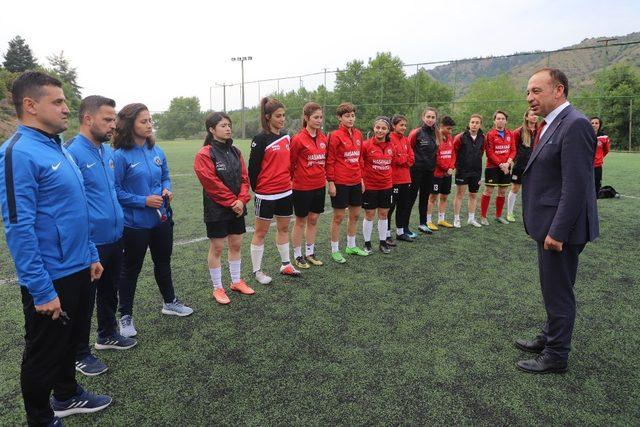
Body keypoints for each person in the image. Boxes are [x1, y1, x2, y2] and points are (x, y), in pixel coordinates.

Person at [0, 71, 111, 426]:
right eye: (58, 102)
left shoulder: (57, 147)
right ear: (30, 106)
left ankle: (67, 395)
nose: (67, 108)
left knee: (70, 341)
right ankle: (41, 418)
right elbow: (19, 227)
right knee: (42, 353)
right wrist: (41, 288)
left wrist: (91, 253)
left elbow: (76, 209)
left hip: (79, 265)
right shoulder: (17, 152)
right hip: (51, 275)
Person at [516, 68, 599, 374]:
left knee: (558, 291)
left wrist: (558, 232)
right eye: (528, 92)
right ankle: (550, 336)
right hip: (550, 223)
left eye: (536, 91)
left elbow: (576, 186)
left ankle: (556, 354)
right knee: (554, 287)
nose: (530, 98)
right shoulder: (552, 123)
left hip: (560, 228)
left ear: (559, 90)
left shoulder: (575, 124)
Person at [65, 96, 137, 377]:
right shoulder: (72, 151)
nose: (113, 125)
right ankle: (79, 354)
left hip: (114, 236)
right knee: (83, 301)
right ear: (87, 119)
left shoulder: (107, 152)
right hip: (90, 242)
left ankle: (107, 334)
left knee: (110, 291)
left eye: (114, 119)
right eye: (107, 119)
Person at [114, 103, 193, 338]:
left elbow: (166, 176)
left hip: (161, 221)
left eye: (150, 121)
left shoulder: (156, 151)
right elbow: (115, 191)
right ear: (130, 125)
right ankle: (125, 316)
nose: (149, 125)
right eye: (143, 121)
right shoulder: (119, 156)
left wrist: (167, 189)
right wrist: (143, 201)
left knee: (163, 263)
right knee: (130, 270)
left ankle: (170, 302)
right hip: (134, 224)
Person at [194, 112, 254, 305]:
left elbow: (245, 178)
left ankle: (236, 281)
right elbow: (211, 183)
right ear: (212, 130)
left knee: (236, 244)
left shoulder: (236, 151)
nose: (228, 128)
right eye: (223, 125)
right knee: (217, 247)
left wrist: (242, 200)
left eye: (229, 125)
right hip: (217, 209)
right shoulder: (205, 154)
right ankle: (217, 288)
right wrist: (232, 202)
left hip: (237, 206)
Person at [248, 97, 301, 282]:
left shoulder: (286, 137)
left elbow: (291, 163)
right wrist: (259, 189)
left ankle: (286, 264)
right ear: (268, 116)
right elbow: (252, 169)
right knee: (260, 232)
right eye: (278, 116)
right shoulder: (260, 139)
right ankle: (257, 271)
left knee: (283, 228)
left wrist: (289, 181)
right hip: (266, 193)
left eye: (284, 115)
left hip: (285, 191)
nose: (282, 119)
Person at [326, 102, 369, 262]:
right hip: (340, 182)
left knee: (356, 215)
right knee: (338, 217)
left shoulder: (358, 134)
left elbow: (360, 159)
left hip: (356, 181)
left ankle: (351, 246)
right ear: (340, 118)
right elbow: (329, 160)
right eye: (347, 116)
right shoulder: (335, 136)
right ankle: (335, 250)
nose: (350, 119)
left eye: (352, 115)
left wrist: (362, 179)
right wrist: (331, 181)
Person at [290, 102, 327, 269]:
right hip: (302, 187)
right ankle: (298, 255)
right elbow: (290, 163)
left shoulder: (323, 138)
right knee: (300, 221)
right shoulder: (298, 139)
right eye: (315, 117)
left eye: (320, 117)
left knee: (313, 219)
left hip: (319, 185)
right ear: (306, 118)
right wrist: (291, 182)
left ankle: (310, 252)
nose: (319, 120)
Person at [361, 116, 395, 254]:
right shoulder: (366, 145)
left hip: (386, 185)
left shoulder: (391, 146)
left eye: (383, 128)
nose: (380, 130)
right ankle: (367, 243)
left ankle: (382, 242)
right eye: (377, 127)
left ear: (388, 131)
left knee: (383, 214)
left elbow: (391, 164)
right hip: (370, 186)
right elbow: (360, 164)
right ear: (374, 128)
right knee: (369, 214)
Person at [407, 107, 439, 235]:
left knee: (425, 197)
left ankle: (423, 223)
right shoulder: (416, 132)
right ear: (423, 117)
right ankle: (404, 226)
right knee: (411, 198)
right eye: (428, 117)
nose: (430, 119)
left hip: (429, 171)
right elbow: (408, 149)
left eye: (433, 117)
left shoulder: (437, 133)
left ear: (436, 119)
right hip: (416, 170)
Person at [480, 111, 515, 225]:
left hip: (506, 167)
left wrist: (508, 163)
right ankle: (483, 217)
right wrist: (501, 165)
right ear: (494, 121)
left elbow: (513, 150)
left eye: (503, 118)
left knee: (502, 192)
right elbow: (489, 152)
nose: (500, 120)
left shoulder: (510, 134)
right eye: (498, 118)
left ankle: (498, 216)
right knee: (488, 191)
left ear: (506, 121)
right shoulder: (490, 135)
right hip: (493, 167)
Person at [452, 114, 485, 228]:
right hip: (462, 171)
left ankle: (471, 218)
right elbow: (454, 152)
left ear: (480, 124)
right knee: (459, 194)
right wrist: (456, 166)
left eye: (477, 122)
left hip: (476, 171)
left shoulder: (482, 137)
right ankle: (456, 219)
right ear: (469, 123)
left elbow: (481, 151)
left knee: (473, 195)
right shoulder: (460, 137)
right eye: (472, 122)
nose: (474, 124)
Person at [506, 108, 537, 222]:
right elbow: (513, 149)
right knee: (515, 188)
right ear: (527, 117)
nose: (535, 117)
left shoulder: (540, 130)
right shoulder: (518, 132)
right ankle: (509, 213)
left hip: (534, 165)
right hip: (520, 165)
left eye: (535, 115)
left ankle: (529, 214)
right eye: (532, 115)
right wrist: (510, 163)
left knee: (531, 190)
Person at [388, 114, 415, 242]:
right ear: (393, 126)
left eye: (405, 125)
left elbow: (411, 159)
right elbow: (393, 158)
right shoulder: (389, 138)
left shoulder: (406, 140)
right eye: (401, 125)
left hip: (406, 179)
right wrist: (403, 159)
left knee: (403, 206)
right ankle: (387, 234)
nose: (404, 127)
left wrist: (403, 159)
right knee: (390, 207)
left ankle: (400, 233)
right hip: (393, 180)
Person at [426, 116, 456, 230]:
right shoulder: (435, 138)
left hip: (447, 173)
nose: (450, 131)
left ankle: (441, 219)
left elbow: (453, 154)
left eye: (451, 129)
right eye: (448, 129)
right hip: (437, 174)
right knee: (433, 197)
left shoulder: (449, 137)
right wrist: (445, 168)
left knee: (444, 196)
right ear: (442, 126)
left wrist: (452, 167)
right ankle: (428, 221)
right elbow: (436, 157)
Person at [590, 116, 611, 195]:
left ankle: (595, 202)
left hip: (597, 166)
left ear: (599, 125)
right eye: (592, 123)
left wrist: (599, 157)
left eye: (596, 123)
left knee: (596, 185)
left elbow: (606, 150)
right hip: (586, 165)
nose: (594, 125)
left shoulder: (604, 137)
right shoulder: (585, 134)